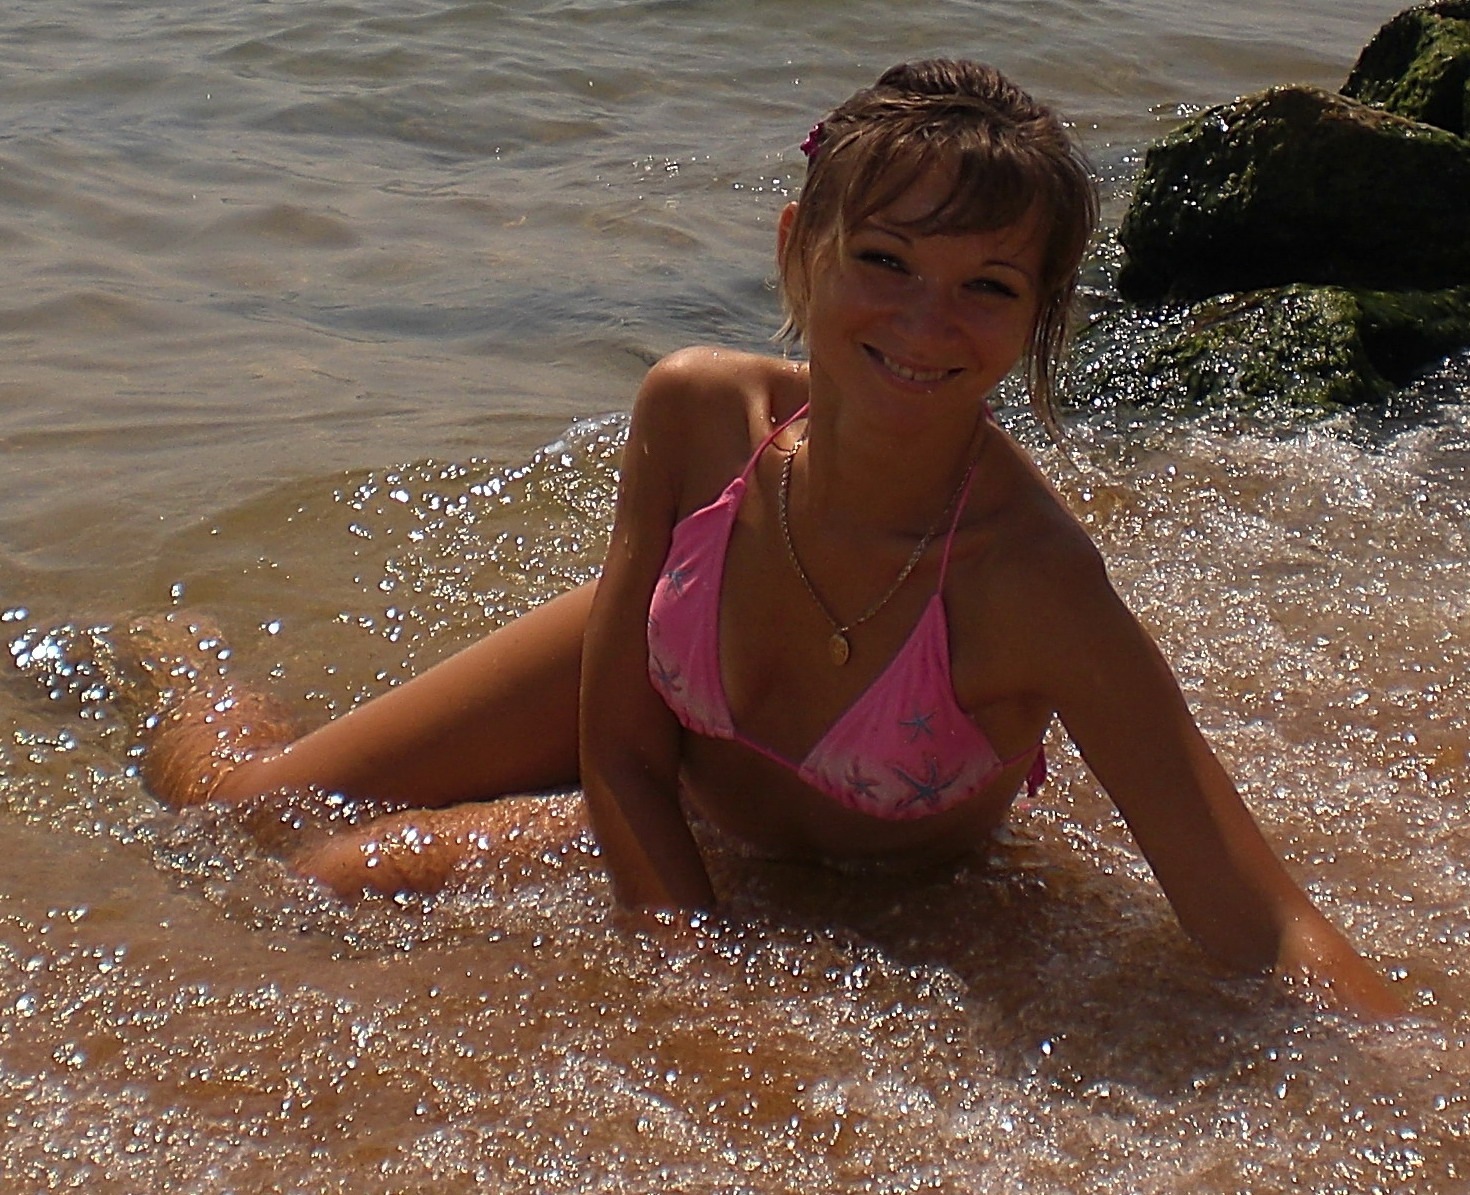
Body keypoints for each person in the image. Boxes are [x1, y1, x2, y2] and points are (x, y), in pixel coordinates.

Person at [134, 59, 1403, 1018]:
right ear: (801, 246)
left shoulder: (1032, 584)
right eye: (886, 259)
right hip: (677, 719)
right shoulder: (698, 415)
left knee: (338, 874)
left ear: (1038, 315)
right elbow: (624, 750)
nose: (926, 321)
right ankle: (172, 654)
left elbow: (1263, 920)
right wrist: (693, 969)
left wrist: (1414, 1094)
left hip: (793, 856)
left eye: (987, 285)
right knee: (249, 813)